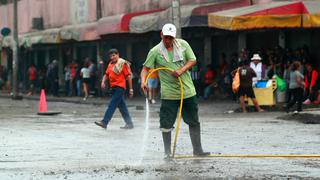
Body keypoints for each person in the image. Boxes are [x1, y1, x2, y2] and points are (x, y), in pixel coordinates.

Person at [140, 23, 210, 158]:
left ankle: (198, 150)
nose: (168, 41)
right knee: (166, 123)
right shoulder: (155, 51)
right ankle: (167, 153)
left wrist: (181, 70)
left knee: (193, 121)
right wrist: (143, 81)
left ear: (174, 37)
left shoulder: (183, 45)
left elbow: (193, 60)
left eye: (170, 38)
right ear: (161, 35)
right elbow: (145, 69)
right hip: (169, 94)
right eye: (165, 37)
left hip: (188, 91)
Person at [95, 48, 134, 130]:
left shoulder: (122, 64)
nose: (112, 57)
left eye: (114, 55)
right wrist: (103, 82)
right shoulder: (110, 64)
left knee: (112, 105)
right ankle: (129, 123)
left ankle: (104, 122)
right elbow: (106, 74)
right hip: (113, 88)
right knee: (122, 107)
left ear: (118, 55)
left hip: (120, 88)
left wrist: (131, 89)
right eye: (111, 56)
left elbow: (129, 76)